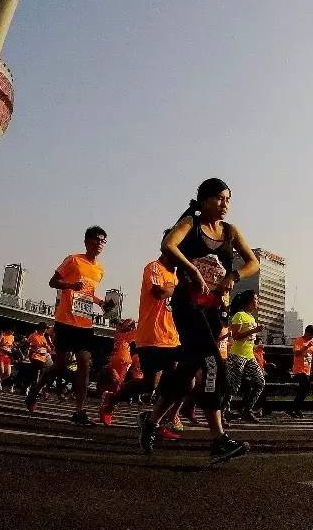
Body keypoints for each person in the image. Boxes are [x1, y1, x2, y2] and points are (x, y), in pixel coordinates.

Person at [158, 179, 255, 463]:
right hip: (188, 304)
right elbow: (169, 245)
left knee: (189, 367)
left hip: (214, 309)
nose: (224, 205)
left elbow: (253, 262)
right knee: (213, 362)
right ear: (203, 200)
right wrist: (192, 270)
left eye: (228, 199)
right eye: (218, 199)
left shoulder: (230, 231)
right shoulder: (191, 222)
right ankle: (218, 439)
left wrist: (233, 276)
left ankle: (151, 422)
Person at [27, 226, 114, 426]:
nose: (100, 244)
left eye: (103, 241)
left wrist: (101, 303)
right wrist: (70, 286)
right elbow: (53, 282)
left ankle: (79, 411)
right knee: (59, 365)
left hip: (85, 322)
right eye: (96, 240)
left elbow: (87, 293)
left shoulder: (100, 270)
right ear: (86, 242)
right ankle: (35, 390)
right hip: (66, 320)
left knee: (84, 363)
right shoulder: (73, 260)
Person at [128, 247, 182, 443]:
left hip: (172, 339)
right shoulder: (154, 268)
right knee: (150, 384)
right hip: (151, 337)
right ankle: (113, 399)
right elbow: (158, 293)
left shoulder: (176, 276)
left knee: (181, 381)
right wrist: (180, 289)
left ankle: (155, 422)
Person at [226, 290, 266, 423]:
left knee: (260, 382)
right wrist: (254, 330)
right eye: (256, 299)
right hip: (237, 356)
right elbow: (235, 336)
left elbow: (248, 340)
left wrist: (255, 347)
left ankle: (247, 410)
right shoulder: (239, 316)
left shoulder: (251, 317)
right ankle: (224, 412)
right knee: (233, 386)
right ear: (249, 301)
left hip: (249, 356)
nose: (257, 301)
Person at [93, 318, 136, 425]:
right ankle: (107, 408)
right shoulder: (122, 335)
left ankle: (107, 407)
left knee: (117, 387)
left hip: (122, 363)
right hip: (119, 362)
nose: (130, 327)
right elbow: (138, 330)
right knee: (118, 386)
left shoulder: (124, 336)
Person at [288, 324, 313, 418]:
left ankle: (294, 409)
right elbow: (296, 353)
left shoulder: (311, 342)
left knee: (304, 389)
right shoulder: (298, 340)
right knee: (306, 387)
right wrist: (307, 346)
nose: (312, 337)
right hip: (299, 369)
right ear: (307, 333)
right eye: (311, 335)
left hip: (307, 370)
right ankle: (294, 408)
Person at [25, 324, 51, 390]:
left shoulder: (44, 336)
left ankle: (32, 387)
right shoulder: (33, 335)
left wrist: (48, 348)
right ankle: (32, 387)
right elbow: (28, 345)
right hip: (35, 357)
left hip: (43, 357)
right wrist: (34, 349)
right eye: (44, 328)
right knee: (36, 373)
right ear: (40, 328)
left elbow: (47, 347)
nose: (45, 330)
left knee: (41, 373)